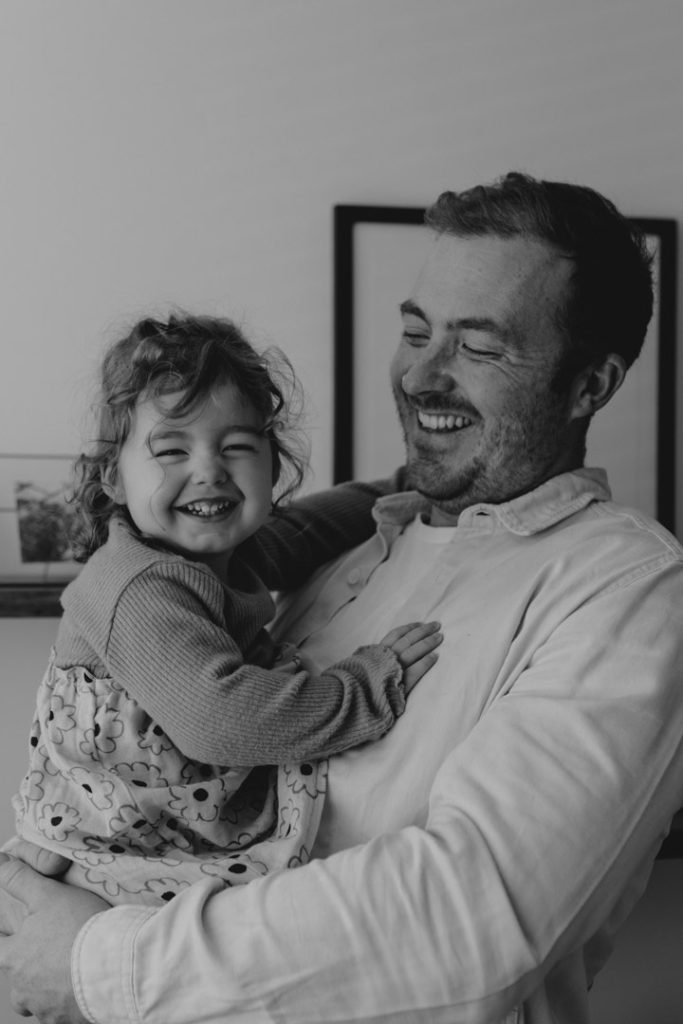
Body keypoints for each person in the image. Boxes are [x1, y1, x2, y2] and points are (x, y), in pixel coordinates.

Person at [1, 171, 683, 1024]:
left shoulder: (625, 587)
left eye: (478, 347)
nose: (424, 376)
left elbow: (470, 920)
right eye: (414, 331)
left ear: (589, 385)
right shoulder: (363, 542)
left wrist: (90, 961)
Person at [10, 313, 442, 907]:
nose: (209, 469)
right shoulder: (137, 588)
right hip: (112, 859)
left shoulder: (225, 551)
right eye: (171, 450)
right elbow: (222, 721)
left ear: (273, 463)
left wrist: (412, 484)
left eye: (238, 446)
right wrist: (362, 685)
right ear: (113, 477)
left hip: (147, 831)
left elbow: (309, 529)